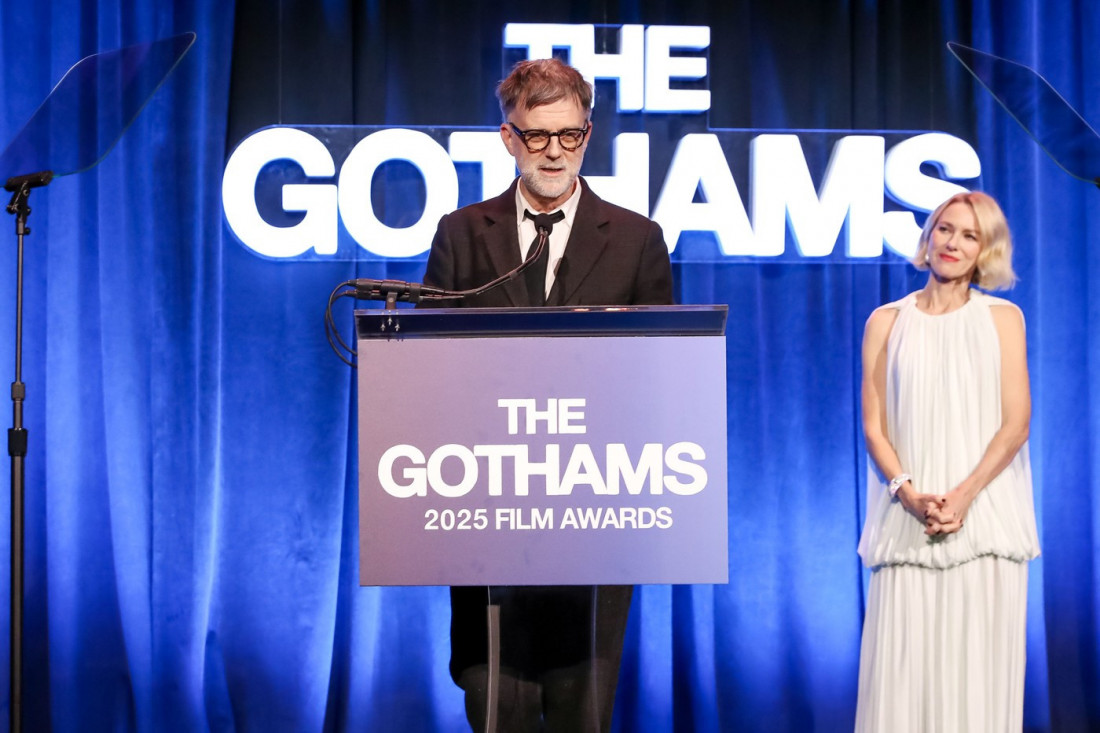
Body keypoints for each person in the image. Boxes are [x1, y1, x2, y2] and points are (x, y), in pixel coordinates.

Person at [421, 58, 672, 732]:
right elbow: (427, 370)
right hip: (487, 515)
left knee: (579, 715)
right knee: (494, 707)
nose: (555, 151)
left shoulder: (637, 240)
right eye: (537, 135)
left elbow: (663, 377)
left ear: (588, 134)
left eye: (570, 134)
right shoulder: (461, 233)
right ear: (509, 138)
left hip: (596, 516)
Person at [855, 190, 1040, 731]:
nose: (953, 243)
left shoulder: (1003, 318)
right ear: (929, 235)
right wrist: (909, 494)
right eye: (945, 229)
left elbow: (1016, 424)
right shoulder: (885, 321)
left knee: (977, 690)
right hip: (907, 527)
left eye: (969, 235)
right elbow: (874, 427)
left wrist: (963, 496)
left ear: (986, 249)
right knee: (900, 691)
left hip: (984, 527)